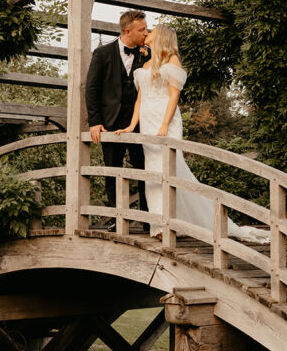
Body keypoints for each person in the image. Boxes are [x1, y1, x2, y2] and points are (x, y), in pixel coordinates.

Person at [116, 24, 270, 243]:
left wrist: (164, 125)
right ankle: (159, 224)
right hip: (147, 122)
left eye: (151, 31)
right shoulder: (147, 63)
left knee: (168, 172)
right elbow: (140, 99)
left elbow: (173, 97)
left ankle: (170, 223)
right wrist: (132, 126)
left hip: (165, 120)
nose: (147, 33)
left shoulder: (172, 62)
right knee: (152, 175)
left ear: (162, 37)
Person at [85, 9, 150, 229]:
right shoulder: (102, 53)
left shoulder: (147, 54)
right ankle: (117, 217)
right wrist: (94, 121)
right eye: (142, 29)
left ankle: (147, 218)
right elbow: (92, 89)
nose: (146, 33)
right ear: (127, 30)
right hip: (110, 123)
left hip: (140, 123)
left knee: (144, 169)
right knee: (112, 169)